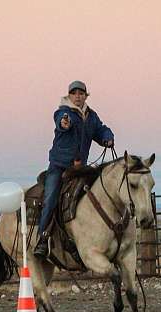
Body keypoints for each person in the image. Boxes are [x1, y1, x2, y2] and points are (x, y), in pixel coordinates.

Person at [34, 80, 115, 258]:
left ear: (86, 96)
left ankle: (88, 238)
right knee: (51, 197)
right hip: (59, 165)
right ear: (69, 96)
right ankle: (42, 238)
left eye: (81, 93)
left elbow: (100, 130)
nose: (78, 96)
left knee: (94, 195)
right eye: (74, 93)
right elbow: (62, 122)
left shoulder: (91, 116)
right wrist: (64, 123)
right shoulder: (63, 112)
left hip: (79, 168)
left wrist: (107, 138)